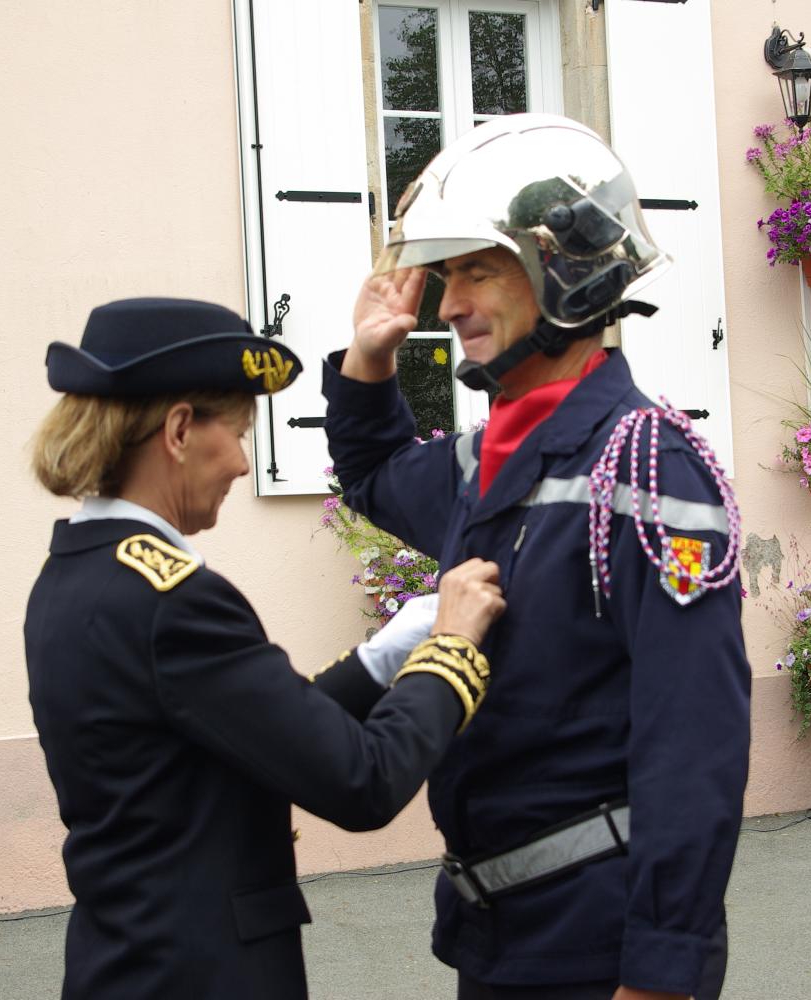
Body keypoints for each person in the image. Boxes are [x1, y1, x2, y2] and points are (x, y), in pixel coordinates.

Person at [322, 115, 751, 1000]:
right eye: (444, 279)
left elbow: (693, 741)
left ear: (565, 270)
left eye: (477, 271)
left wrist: (664, 972)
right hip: (497, 940)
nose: (448, 307)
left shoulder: (648, 465)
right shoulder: (484, 461)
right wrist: (369, 361)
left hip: (595, 950)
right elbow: (370, 476)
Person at [24, 296, 506, 1000]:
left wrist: (392, 649)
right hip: (201, 974)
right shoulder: (174, 600)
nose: (244, 466)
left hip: (126, 963)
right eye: (240, 434)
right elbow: (360, 781)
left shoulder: (75, 572)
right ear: (181, 430)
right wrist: (453, 649)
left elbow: (243, 731)